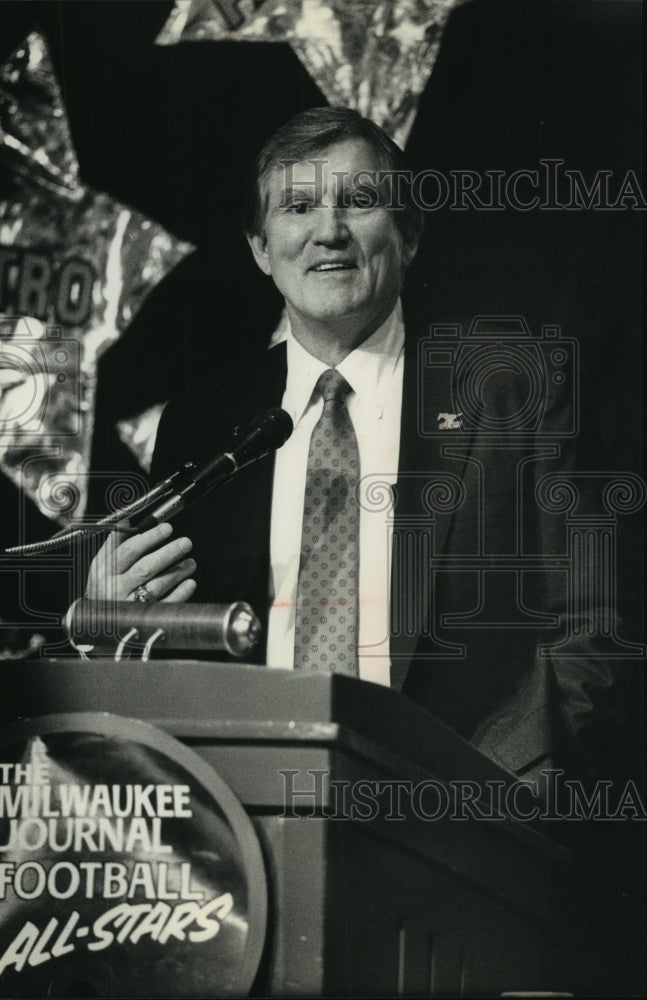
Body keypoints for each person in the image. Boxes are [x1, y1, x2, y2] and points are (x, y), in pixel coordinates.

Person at [86, 106, 629, 794]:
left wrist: (511, 795)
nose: (328, 231)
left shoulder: (507, 386)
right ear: (260, 247)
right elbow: (173, 646)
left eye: (359, 200)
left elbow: (593, 623)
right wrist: (112, 623)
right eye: (298, 206)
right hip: (251, 816)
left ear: (407, 234)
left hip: (462, 825)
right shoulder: (206, 422)